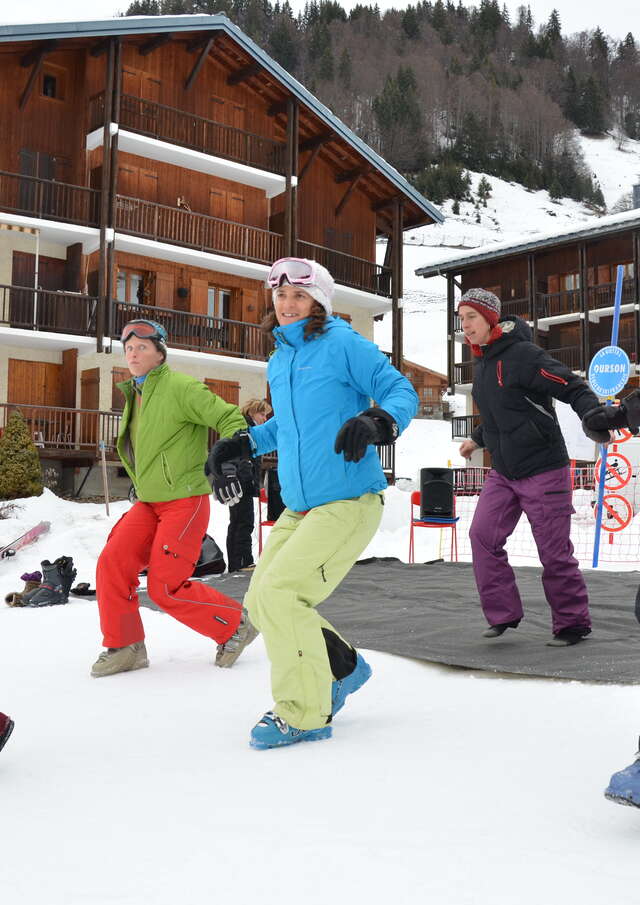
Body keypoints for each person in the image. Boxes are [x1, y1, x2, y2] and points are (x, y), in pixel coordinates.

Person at [208, 256, 418, 749]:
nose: (287, 304)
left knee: (282, 595)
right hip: (300, 505)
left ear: (318, 301)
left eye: (298, 295)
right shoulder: (281, 359)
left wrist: (380, 422)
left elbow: (398, 389)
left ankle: (304, 714)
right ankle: (342, 666)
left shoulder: (341, 343)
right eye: (280, 295)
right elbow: (290, 426)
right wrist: (242, 444)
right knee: (261, 599)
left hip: (348, 499)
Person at [91, 318, 249, 678]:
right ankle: (126, 645)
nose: (133, 353)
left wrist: (225, 462)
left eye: (142, 347)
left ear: (160, 353)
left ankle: (234, 624)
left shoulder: (181, 387)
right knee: (112, 563)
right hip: (148, 501)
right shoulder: (136, 393)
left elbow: (230, 420)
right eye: (129, 348)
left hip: (185, 501)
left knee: (166, 587)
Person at [457, 288, 601, 646]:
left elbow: (572, 386)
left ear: (490, 318)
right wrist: (478, 438)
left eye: (470, 317)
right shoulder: (484, 361)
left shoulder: (523, 355)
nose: (465, 325)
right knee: (482, 537)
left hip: (543, 468)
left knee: (553, 551)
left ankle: (572, 622)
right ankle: (503, 613)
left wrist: (593, 413)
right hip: (505, 471)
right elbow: (502, 412)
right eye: (461, 320)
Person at [226, 398, 272, 573]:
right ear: (252, 412)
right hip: (240, 482)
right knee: (243, 521)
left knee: (238, 521)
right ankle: (242, 562)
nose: (264, 419)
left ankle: (239, 561)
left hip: (240, 481)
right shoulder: (244, 430)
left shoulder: (245, 428)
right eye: (262, 414)